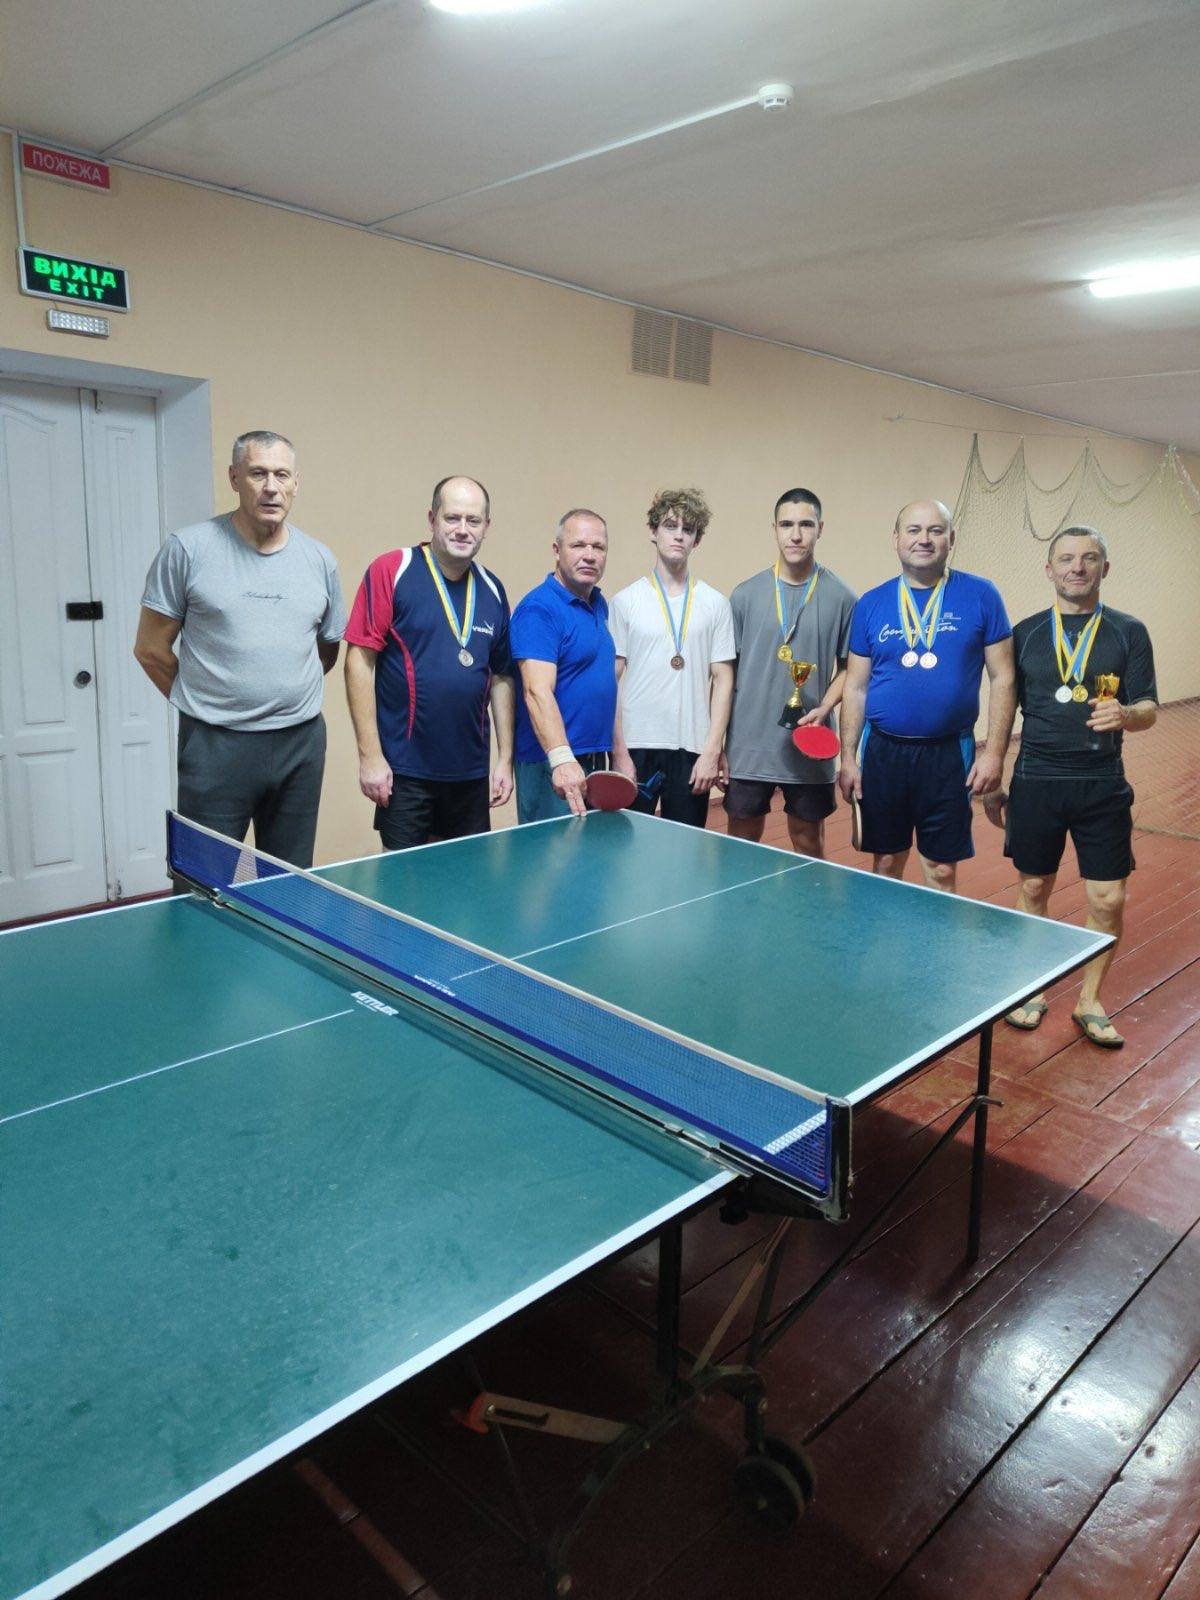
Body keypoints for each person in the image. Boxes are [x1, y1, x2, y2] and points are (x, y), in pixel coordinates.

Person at [134, 430, 345, 869]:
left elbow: (325, 651)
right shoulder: (188, 549)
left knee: (288, 881)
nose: (271, 487)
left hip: (300, 743)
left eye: (281, 475)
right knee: (203, 879)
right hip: (215, 744)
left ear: (296, 483)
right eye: (257, 474)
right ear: (234, 478)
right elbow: (150, 649)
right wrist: (209, 701)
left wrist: (278, 691)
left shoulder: (320, 559)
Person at [983, 526, 1158, 1047]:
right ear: (1049, 569)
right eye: (1066, 559)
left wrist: (1127, 714)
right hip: (1035, 780)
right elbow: (1004, 705)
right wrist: (992, 772)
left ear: (1105, 568)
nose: (1077, 567)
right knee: (1033, 888)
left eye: (1089, 558)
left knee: (1108, 896)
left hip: (1102, 784)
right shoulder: (1026, 633)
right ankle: (1033, 988)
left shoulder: (1129, 631)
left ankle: (1090, 1000)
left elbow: (1149, 707)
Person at [838, 499, 1015, 891]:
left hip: (949, 753)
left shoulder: (982, 595)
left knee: (941, 869)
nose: (924, 539)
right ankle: (886, 932)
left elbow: (1003, 678)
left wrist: (995, 754)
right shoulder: (871, 603)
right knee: (886, 862)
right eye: (914, 530)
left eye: (935, 530)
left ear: (951, 538)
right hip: (883, 752)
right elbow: (855, 686)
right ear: (896, 539)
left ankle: (937, 935)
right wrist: (847, 757)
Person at [343, 476, 514, 850]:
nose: (463, 529)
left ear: (486, 526)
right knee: (403, 879)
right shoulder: (392, 569)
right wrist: (370, 757)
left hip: (469, 773)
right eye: (452, 518)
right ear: (432, 518)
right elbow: (359, 661)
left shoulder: (492, 589)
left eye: (473, 520)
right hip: (406, 771)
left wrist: (505, 760)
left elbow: (502, 677)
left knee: (464, 877)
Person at [723, 488, 857, 856]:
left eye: (806, 525)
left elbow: (850, 668)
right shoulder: (744, 595)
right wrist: (717, 744)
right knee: (741, 845)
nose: (795, 535)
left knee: (808, 842)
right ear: (775, 529)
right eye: (786, 525)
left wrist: (825, 707)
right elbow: (725, 674)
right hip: (749, 745)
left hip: (810, 742)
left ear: (820, 529)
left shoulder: (843, 598)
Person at [609, 488, 735, 827]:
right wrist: (619, 752)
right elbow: (611, 681)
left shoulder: (716, 604)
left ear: (697, 539)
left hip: (692, 748)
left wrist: (712, 750)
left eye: (688, 529)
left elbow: (723, 681)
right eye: (670, 525)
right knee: (629, 847)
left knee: (685, 849)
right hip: (636, 744)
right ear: (653, 531)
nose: (679, 535)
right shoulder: (625, 602)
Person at [511, 509, 635, 821]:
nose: (589, 555)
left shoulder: (598, 605)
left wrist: (619, 752)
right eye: (578, 545)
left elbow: (605, 684)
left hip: (593, 759)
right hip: (551, 764)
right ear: (557, 550)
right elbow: (536, 691)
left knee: (589, 851)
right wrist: (561, 760)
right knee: (550, 852)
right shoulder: (538, 610)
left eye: (599, 547)